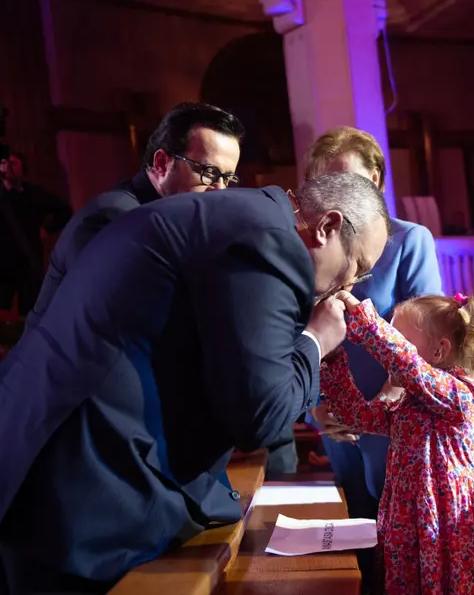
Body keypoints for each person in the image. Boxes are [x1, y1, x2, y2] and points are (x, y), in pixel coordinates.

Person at [0, 172, 390, 592]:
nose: (351, 288)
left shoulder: (246, 217)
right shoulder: (271, 242)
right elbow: (262, 417)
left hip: (52, 450)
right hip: (85, 484)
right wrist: (316, 341)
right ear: (328, 226)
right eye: (358, 268)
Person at [303, 127, 442, 589]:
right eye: (326, 184)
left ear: (377, 180)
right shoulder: (313, 244)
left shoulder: (409, 240)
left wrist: (387, 400)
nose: (337, 196)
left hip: (393, 417)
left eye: (350, 181)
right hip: (336, 418)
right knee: (352, 539)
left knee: (402, 542)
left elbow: (426, 335)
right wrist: (316, 406)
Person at [320, 292, 474, 594]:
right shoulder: (409, 403)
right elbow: (355, 414)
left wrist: (364, 321)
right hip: (409, 521)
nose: (389, 348)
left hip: (448, 525)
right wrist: (332, 356)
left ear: (438, 352)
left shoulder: (461, 395)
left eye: (399, 338)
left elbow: (409, 367)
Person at [26, 102, 244, 331]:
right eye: (209, 173)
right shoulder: (115, 218)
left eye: (227, 179)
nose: (220, 191)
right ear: (161, 163)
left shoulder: (168, 217)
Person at [0, 151, 72, 315]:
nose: (8, 167)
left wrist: (47, 229)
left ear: (22, 169)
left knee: (31, 312)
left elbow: (64, 211)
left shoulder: (34, 194)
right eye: (5, 163)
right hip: (2, 264)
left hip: (28, 263)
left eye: (14, 164)